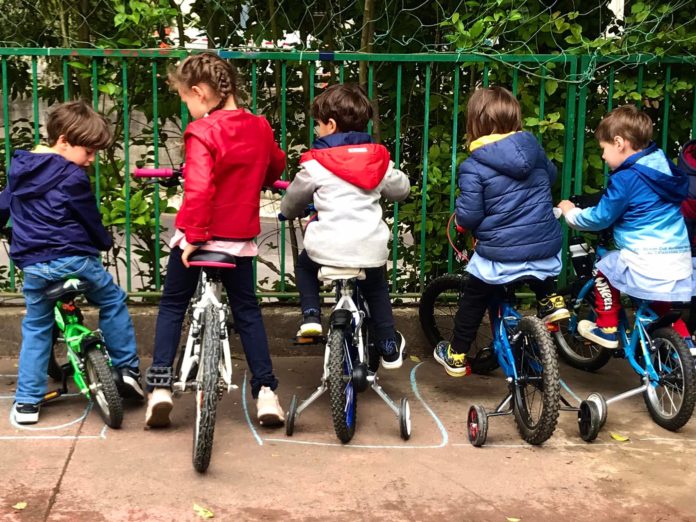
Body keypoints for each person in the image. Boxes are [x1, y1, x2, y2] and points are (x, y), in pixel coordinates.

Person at [145, 53, 287, 428]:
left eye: (185, 100)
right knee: (248, 312)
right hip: (238, 240)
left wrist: (193, 235)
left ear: (199, 92)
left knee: (174, 304)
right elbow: (276, 166)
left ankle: (160, 385)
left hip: (198, 237)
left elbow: (199, 187)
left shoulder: (201, 132)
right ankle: (267, 393)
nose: (188, 108)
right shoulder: (258, 126)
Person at [0, 100, 143, 424]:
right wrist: (104, 241)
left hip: (35, 266)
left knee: (37, 327)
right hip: (75, 261)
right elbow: (88, 218)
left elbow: (3, 206)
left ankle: (26, 404)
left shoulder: (20, 169)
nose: (90, 161)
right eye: (88, 152)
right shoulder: (71, 175)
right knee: (113, 300)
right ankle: (126, 369)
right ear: (63, 141)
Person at [434, 86, 569, 377]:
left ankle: (457, 353)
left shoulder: (474, 165)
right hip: (545, 249)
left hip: (500, 256)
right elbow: (553, 176)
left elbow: (469, 215)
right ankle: (550, 300)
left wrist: (463, 223)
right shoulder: (533, 150)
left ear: (475, 123)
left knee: (474, 295)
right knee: (536, 255)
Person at [280, 83, 410, 370]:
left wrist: (287, 212)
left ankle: (311, 316)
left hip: (326, 247)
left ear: (331, 124)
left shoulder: (315, 164)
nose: (316, 131)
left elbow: (291, 203)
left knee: (304, 266)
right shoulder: (378, 161)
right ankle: (388, 344)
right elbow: (401, 190)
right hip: (368, 247)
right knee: (376, 286)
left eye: (317, 125)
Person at [559, 105, 692, 348]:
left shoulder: (625, 178)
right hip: (679, 259)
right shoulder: (659, 163)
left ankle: (607, 328)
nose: (602, 156)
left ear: (619, 143)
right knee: (658, 302)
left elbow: (601, 217)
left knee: (604, 270)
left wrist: (572, 214)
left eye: (604, 149)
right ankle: (686, 344)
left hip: (646, 259)